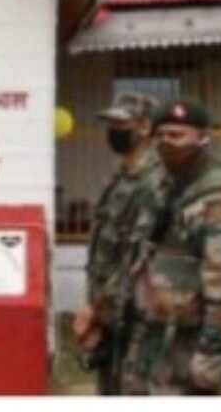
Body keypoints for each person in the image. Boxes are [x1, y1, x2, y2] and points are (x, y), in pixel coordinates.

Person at [120, 98, 221, 395]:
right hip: (150, 345)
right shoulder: (168, 188)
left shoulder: (220, 198)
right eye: (162, 135)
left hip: (186, 353)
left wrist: (208, 363)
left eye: (178, 135)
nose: (167, 142)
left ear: (203, 139)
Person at [73, 92, 167, 394]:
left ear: (144, 128)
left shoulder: (155, 182)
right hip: (111, 316)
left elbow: (139, 258)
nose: (113, 130)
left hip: (137, 317)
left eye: (121, 123)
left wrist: (96, 308)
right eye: (110, 123)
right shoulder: (120, 177)